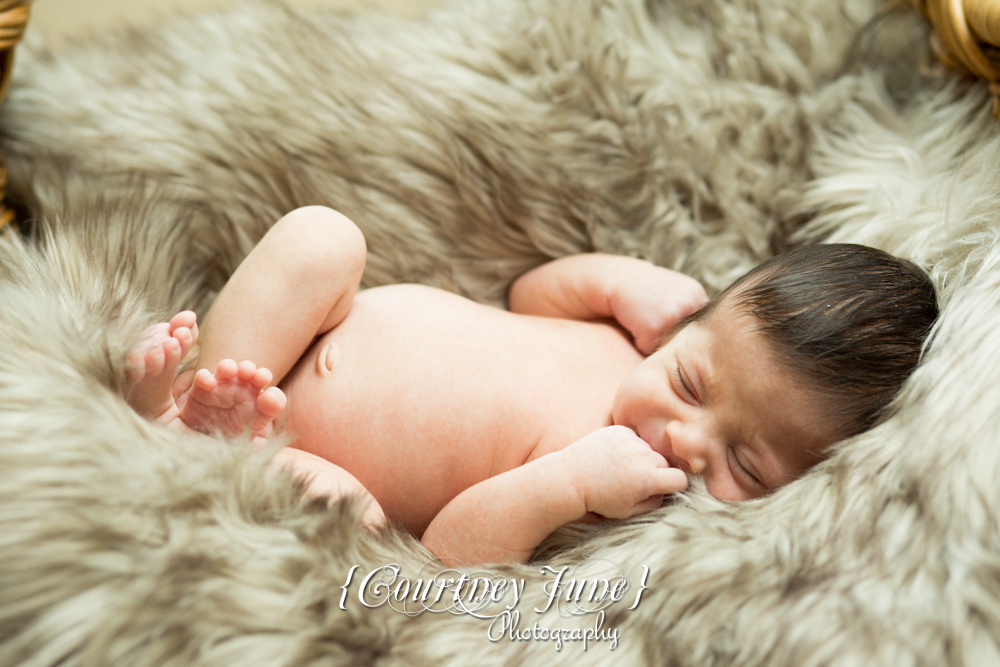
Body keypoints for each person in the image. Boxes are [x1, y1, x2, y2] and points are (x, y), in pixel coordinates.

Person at [125, 206, 938, 564]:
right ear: (692, 323)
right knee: (321, 238)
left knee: (356, 527)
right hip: (306, 338)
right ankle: (189, 396)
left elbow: (446, 553)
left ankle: (186, 437)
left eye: (747, 465)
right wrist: (615, 281)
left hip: (314, 457)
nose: (687, 438)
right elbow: (529, 297)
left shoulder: (616, 496)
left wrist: (566, 482)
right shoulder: (635, 337)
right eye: (691, 381)